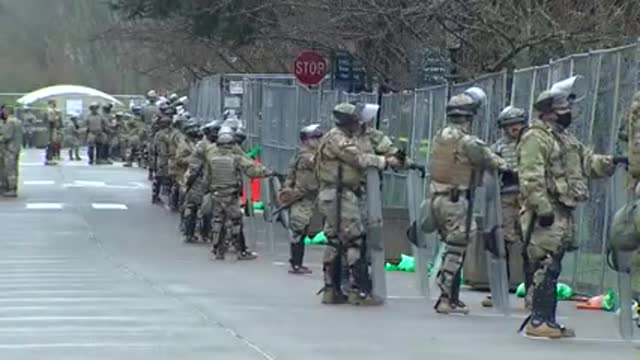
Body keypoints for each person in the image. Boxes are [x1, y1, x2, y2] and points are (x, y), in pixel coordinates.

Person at [517, 77, 618, 338]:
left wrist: (612, 162)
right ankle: (538, 320)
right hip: (546, 211)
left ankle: (547, 320)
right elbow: (530, 176)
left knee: (553, 266)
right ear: (550, 111)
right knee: (544, 264)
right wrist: (542, 208)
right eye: (564, 108)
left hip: (563, 209)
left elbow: (587, 163)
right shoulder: (535, 137)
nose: (569, 113)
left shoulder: (566, 138)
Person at [428, 88, 509, 315]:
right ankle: (445, 298)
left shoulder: (439, 136)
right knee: (457, 246)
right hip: (456, 200)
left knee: (450, 245)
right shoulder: (468, 141)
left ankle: (451, 297)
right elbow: (493, 161)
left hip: (437, 198)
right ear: (470, 116)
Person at [315, 103, 399, 306]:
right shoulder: (338, 139)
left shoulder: (334, 137)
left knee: (335, 241)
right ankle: (358, 290)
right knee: (354, 241)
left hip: (334, 194)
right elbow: (358, 158)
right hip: (340, 195)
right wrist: (385, 162)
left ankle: (332, 289)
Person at [187, 126, 272, 260]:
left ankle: (217, 249)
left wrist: (206, 190)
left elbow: (207, 177)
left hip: (216, 193)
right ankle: (241, 251)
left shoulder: (211, 157)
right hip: (231, 195)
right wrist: (267, 172)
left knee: (218, 221)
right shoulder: (235, 158)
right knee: (236, 222)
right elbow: (251, 170)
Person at [481, 106, 529, 308]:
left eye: (517, 124)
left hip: (529, 195)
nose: (514, 129)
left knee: (533, 245)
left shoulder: (531, 143)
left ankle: (533, 292)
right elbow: (487, 163)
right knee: (504, 243)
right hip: (508, 195)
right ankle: (499, 290)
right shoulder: (499, 147)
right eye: (509, 125)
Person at [279, 124, 324, 274]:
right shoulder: (306, 156)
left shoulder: (306, 154)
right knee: (299, 229)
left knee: (301, 230)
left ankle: (297, 263)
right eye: (315, 138)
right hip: (301, 196)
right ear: (306, 140)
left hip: (306, 196)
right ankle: (296, 263)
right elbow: (313, 166)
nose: (319, 140)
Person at [175, 120, 201, 243]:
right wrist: (193, 159)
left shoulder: (197, 143)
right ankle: (186, 228)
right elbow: (179, 160)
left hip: (197, 175)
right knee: (187, 203)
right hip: (184, 175)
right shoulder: (183, 144)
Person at [0, 107, 22, 197]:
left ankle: (11, 189)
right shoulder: (17, 121)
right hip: (16, 148)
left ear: (7, 112)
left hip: (9, 149)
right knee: (14, 168)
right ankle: (13, 187)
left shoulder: (10, 122)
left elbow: (7, 136)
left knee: (9, 169)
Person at [152, 113, 173, 204]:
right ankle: (156, 196)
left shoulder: (158, 133)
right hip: (163, 158)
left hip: (159, 157)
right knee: (160, 177)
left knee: (159, 178)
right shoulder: (164, 135)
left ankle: (156, 196)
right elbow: (162, 149)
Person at [44, 100, 62, 165]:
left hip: (52, 129)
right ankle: (49, 159)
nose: (54, 106)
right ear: (50, 104)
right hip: (50, 129)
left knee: (52, 144)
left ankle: (50, 158)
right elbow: (50, 120)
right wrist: (56, 118)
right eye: (53, 104)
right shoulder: (49, 111)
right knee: (50, 144)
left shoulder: (52, 111)